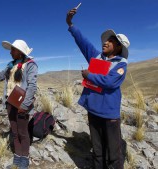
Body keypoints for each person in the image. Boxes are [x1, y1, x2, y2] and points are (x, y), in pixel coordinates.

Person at [66, 7, 130, 169]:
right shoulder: (96, 58)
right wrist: (70, 24)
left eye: (111, 41)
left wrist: (89, 75)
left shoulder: (121, 64)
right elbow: (83, 42)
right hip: (93, 111)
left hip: (109, 114)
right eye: (106, 40)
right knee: (98, 149)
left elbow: (110, 82)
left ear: (118, 47)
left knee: (114, 154)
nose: (105, 42)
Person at [0, 40, 38, 169]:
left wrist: (25, 105)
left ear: (20, 52)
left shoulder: (30, 65)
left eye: (13, 50)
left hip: (22, 104)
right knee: (15, 132)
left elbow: (32, 87)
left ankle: (24, 158)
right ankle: (17, 156)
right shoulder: (10, 65)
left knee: (23, 132)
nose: (10, 52)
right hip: (10, 103)